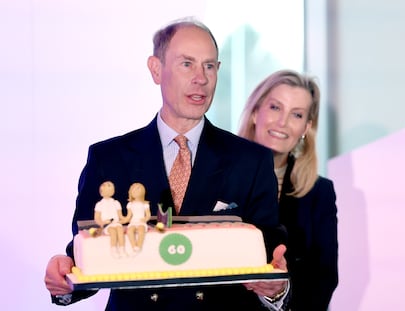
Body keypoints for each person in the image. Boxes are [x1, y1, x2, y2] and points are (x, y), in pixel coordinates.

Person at [44, 17, 290, 310]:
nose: (201, 78)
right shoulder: (109, 158)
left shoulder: (251, 160)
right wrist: (63, 278)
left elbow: (271, 255)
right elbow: (87, 255)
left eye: (209, 66)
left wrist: (276, 289)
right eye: (187, 64)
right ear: (156, 69)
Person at [238, 69, 338, 310]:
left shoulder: (320, 192)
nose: (282, 122)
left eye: (297, 114)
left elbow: (323, 279)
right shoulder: (214, 175)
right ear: (255, 112)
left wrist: (280, 294)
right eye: (275, 107)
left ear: (306, 127)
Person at [94, 181, 128, 258]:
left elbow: (121, 216)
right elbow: (97, 218)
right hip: (107, 225)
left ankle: (122, 249)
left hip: (116, 223)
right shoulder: (99, 204)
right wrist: (103, 223)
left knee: (120, 230)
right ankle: (113, 250)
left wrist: (125, 219)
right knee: (113, 232)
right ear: (101, 192)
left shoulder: (116, 203)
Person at [124, 182, 151, 254]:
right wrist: (123, 220)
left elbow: (148, 215)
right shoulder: (130, 204)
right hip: (133, 222)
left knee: (141, 230)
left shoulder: (145, 204)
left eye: (138, 189)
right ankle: (133, 246)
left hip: (141, 222)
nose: (136, 191)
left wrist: (145, 219)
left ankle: (139, 246)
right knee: (130, 230)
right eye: (134, 190)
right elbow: (128, 216)